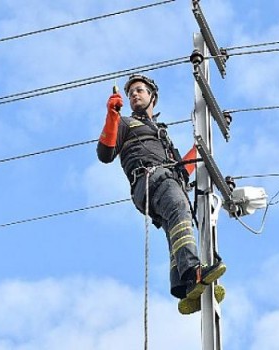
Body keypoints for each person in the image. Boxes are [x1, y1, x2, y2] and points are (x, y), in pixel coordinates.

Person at [96, 74, 226, 314]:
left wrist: (201, 150)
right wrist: (112, 115)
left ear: (152, 96)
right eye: (131, 92)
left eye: (140, 90)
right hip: (150, 180)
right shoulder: (125, 123)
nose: (135, 94)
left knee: (176, 227)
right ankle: (194, 271)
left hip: (166, 179)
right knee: (179, 209)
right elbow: (105, 153)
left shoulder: (161, 135)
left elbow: (182, 170)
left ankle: (185, 287)